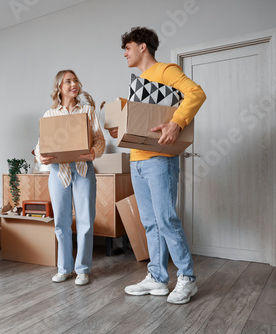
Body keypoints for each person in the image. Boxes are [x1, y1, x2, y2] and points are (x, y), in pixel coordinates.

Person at [110, 27, 206, 304]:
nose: (125, 54)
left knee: (166, 219)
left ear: (142, 46)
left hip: (159, 160)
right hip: (137, 161)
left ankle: (187, 278)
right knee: (150, 223)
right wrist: (123, 130)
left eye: (127, 48)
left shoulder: (166, 71)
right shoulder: (139, 82)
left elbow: (196, 93)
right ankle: (158, 278)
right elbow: (143, 123)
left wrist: (177, 123)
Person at [35, 69, 105, 286]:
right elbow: (39, 146)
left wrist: (94, 152)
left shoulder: (88, 111)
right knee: (61, 222)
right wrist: (40, 157)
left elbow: (99, 140)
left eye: (75, 80)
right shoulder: (49, 115)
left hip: (83, 169)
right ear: (59, 87)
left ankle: (82, 269)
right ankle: (64, 268)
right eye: (68, 81)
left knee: (85, 221)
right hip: (58, 172)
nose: (73, 84)